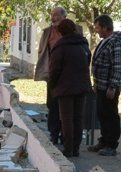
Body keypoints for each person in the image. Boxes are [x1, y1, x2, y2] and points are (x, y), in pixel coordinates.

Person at [34, 7, 80, 146]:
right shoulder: (47, 32)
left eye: (56, 15)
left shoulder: (75, 30)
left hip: (69, 76)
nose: (53, 18)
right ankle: (54, 134)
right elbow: (42, 51)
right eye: (52, 15)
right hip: (53, 74)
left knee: (68, 109)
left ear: (64, 16)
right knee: (53, 106)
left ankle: (66, 137)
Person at [48, 19, 91, 157]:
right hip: (82, 86)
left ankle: (68, 149)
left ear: (60, 32)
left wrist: (52, 85)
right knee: (78, 118)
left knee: (66, 119)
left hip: (65, 88)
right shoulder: (83, 44)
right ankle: (76, 149)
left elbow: (54, 70)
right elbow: (87, 61)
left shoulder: (60, 47)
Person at [89, 14, 121, 156]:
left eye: (98, 27)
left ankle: (111, 145)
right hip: (101, 86)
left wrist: (113, 86)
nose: (96, 30)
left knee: (110, 115)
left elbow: (118, 66)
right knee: (102, 113)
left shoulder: (116, 42)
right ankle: (104, 141)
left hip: (109, 88)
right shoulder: (106, 40)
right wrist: (95, 83)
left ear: (106, 27)